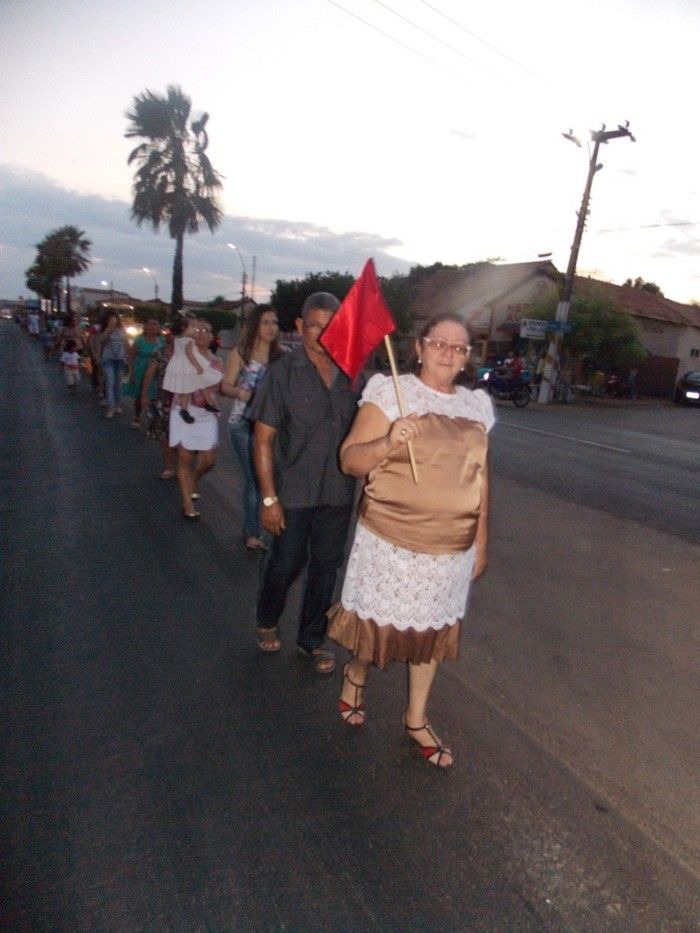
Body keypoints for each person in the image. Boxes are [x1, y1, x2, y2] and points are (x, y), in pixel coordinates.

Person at [327, 312, 494, 769]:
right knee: (376, 627)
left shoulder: (476, 407)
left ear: (467, 358)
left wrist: (481, 539)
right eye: (438, 343)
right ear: (418, 348)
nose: (447, 352)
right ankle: (355, 674)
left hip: (451, 548)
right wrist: (388, 442)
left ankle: (415, 718)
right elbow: (349, 461)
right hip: (391, 539)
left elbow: (481, 479)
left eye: (458, 347)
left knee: (431, 634)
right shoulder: (390, 392)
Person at [248, 292, 362, 674]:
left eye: (331, 328)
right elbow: (262, 439)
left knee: (327, 566)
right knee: (287, 562)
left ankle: (312, 640)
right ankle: (267, 619)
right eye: (314, 326)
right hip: (293, 491)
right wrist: (268, 499)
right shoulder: (282, 373)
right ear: (300, 327)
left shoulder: (354, 376)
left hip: (338, 491)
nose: (323, 335)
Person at [220, 305, 284, 551]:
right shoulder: (241, 354)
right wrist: (242, 393)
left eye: (274, 322)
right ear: (255, 326)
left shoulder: (283, 356)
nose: (271, 327)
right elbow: (225, 386)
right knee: (256, 479)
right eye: (266, 322)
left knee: (273, 478)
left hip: (272, 428)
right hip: (243, 425)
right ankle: (252, 532)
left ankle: (273, 524)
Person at [168, 320, 223, 519]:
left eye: (206, 330)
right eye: (197, 329)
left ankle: (193, 478)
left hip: (206, 413)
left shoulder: (217, 361)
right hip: (185, 409)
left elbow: (218, 387)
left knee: (209, 460)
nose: (201, 333)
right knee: (184, 456)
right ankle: (187, 503)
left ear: (212, 337)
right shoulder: (183, 354)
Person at [163, 315, 221, 424]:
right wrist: (197, 366)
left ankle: (205, 404)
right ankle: (188, 409)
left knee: (199, 384)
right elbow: (189, 354)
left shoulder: (178, 339)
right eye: (195, 328)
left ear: (211, 336)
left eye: (205, 331)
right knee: (195, 385)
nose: (198, 332)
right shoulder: (188, 341)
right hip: (188, 367)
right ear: (184, 328)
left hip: (183, 367)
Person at [141, 332, 176, 480]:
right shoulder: (159, 354)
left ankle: (183, 465)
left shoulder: (188, 355)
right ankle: (169, 466)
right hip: (165, 398)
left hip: (184, 399)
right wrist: (144, 394)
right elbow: (149, 373)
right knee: (165, 434)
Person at [124, 319, 164, 428]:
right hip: (140, 370)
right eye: (150, 324)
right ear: (145, 327)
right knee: (139, 394)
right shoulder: (139, 340)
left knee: (154, 396)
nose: (153, 327)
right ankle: (137, 416)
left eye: (155, 324)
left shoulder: (161, 341)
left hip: (156, 372)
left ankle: (152, 420)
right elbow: (131, 356)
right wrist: (131, 372)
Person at [99, 311, 129, 418]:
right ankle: (111, 407)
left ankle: (117, 404)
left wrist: (127, 358)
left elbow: (126, 344)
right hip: (108, 359)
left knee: (118, 384)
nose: (113, 320)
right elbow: (101, 340)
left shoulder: (122, 330)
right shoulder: (106, 330)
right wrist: (108, 329)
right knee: (110, 383)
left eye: (115, 318)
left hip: (120, 360)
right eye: (111, 319)